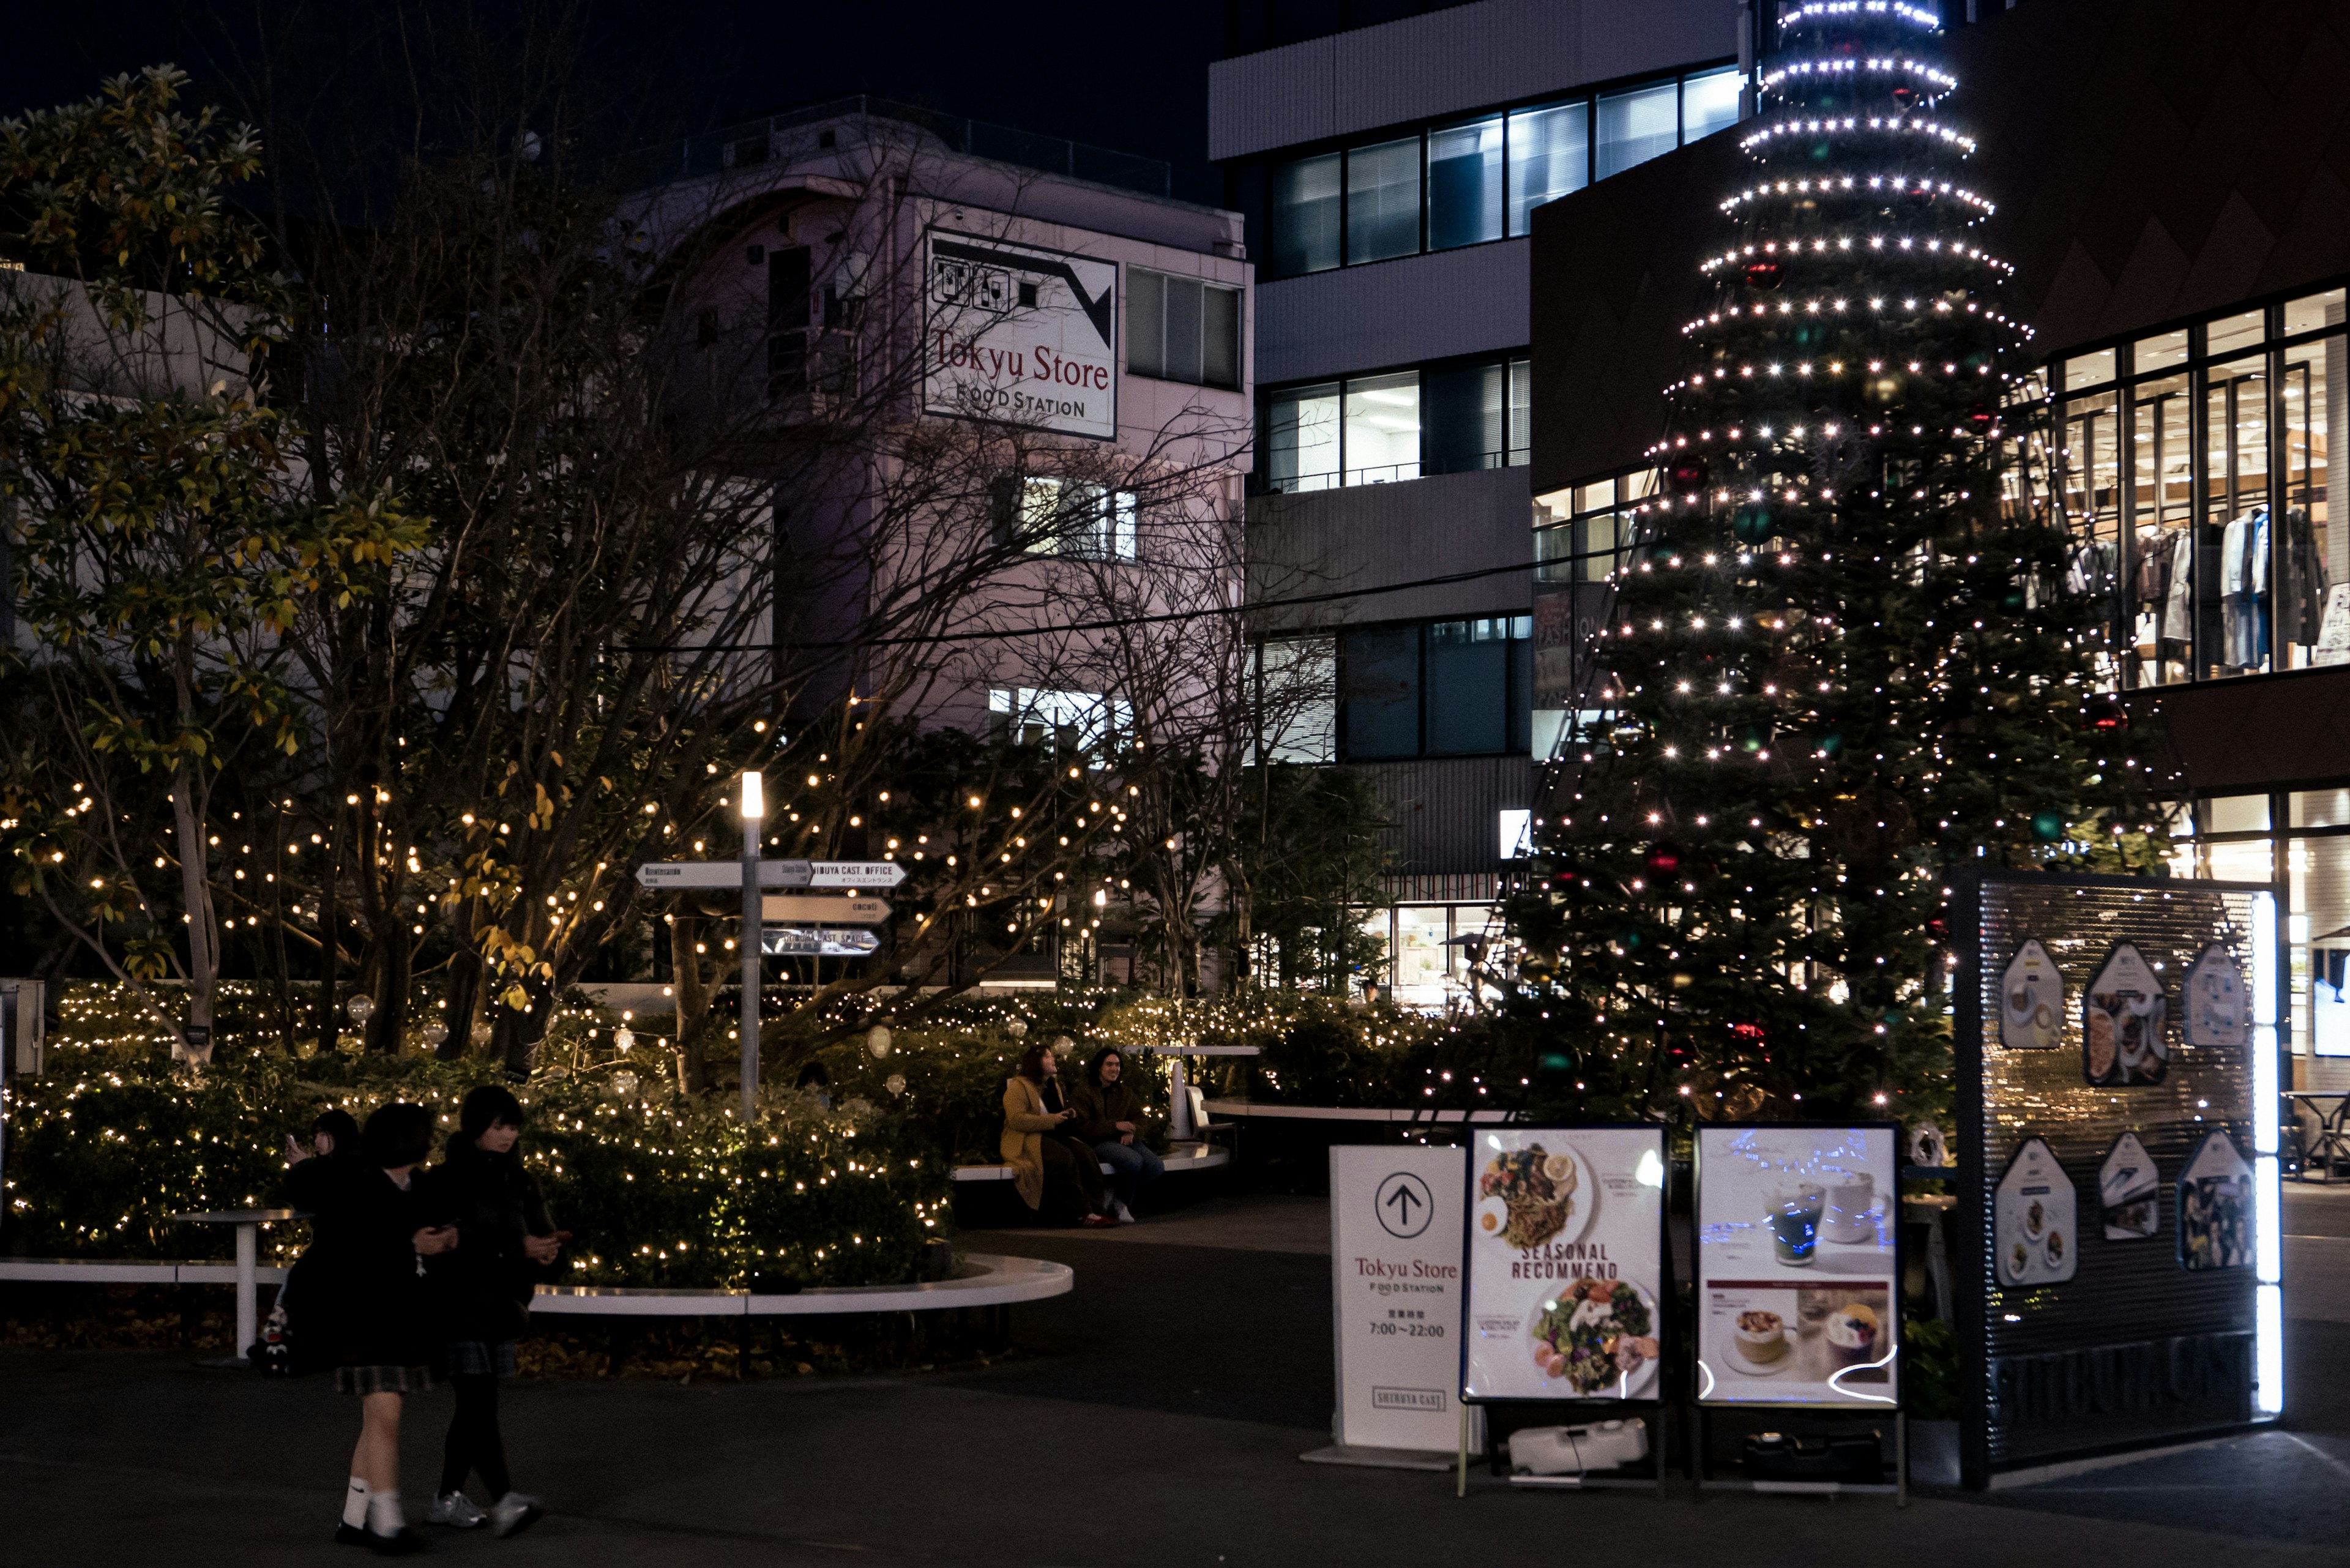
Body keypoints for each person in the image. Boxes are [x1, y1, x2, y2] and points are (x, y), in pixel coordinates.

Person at [302, 1101, 457, 1554]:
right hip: (365, 1317)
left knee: (378, 1419)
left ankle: (355, 1518)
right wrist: (412, 1241)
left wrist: (445, 1238)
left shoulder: (415, 1186)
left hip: (399, 1317)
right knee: (385, 1415)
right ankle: (387, 1521)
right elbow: (351, 1246)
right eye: (422, 1133)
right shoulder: (362, 1186)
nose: (428, 1141)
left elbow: (437, 1224)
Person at [419, 1085, 556, 1539]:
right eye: (499, 1126)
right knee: (477, 1403)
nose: (507, 1136)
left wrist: (545, 1250)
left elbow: (538, 1232)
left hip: (500, 1304)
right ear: (476, 1125)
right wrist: (518, 1246)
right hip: (457, 1302)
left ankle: (447, 1498)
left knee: (475, 1407)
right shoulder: (446, 1180)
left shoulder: (521, 1181)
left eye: (513, 1127)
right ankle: (504, 1500)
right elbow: (455, 1241)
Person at [1001, 1045, 1114, 1227]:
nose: (1053, 1059)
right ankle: (1081, 1213)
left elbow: (1054, 1112)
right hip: (1028, 1139)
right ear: (1035, 1062)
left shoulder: (1053, 1085)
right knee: (1064, 1158)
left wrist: (1066, 1114)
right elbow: (1017, 1120)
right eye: (1047, 1057)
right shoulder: (1018, 1087)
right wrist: (1052, 1120)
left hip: (1053, 1135)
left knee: (1086, 1154)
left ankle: (1097, 1210)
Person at [1070, 1047, 1163, 1224]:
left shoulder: (1124, 1093)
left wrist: (1132, 1131)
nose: (1114, 1069)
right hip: (1098, 1141)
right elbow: (1082, 1126)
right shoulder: (1084, 1092)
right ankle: (1121, 1204)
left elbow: (1141, 1119)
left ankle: (1116, 1194)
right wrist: (1114, 1127)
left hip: (1124, 1140)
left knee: (1155, 1167)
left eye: (1117, 1065)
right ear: (1099, 1067)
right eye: (1109, 1064)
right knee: (1133, 1161)